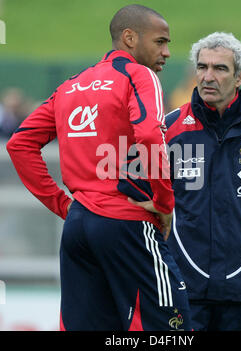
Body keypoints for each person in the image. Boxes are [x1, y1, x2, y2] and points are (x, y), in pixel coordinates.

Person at [6, 5, 191, 331]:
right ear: (130, 38)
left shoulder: (71, 86)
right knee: (171, 328)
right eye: (160, 42)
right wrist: (165, 203)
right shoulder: (139, 75)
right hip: (128, 223)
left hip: (78, 228)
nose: (167, 52)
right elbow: (149, 133)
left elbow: (19, 144)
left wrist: (65, 206)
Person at [132, 32, 241, 331]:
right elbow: (144, 193)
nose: (207, 76)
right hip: (183, 285)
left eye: (219, 68)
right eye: (201, 67)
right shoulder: (168, 129)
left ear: (240, 76)